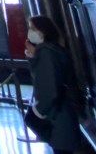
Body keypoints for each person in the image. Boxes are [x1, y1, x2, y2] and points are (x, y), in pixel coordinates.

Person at [23, 14, 83, 153]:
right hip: (60, 111)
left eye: (32, 28)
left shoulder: (47, 53)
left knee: (61, 148)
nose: (30, 32)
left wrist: (38, 112)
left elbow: (48, 85)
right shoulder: (51, 50)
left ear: (43, 31)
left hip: (57, 113)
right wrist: (34, 57)